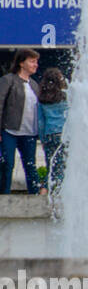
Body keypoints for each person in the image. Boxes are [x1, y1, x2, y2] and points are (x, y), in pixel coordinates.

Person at [0, 49, 46, 195]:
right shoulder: (8, 80)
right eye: (32, 61)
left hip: (29, 133)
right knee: (7, 163)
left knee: (30, 165)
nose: (36, 65)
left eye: (36, 61)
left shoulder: (34, 84)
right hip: (9, 130)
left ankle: (34, 195)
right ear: (21, 63)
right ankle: (4, 195)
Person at [38, 67, 68, 190]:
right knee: (62, 166)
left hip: (49, 135)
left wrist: (43, 139)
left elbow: (41, 122)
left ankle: (44, 191)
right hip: (64, 135)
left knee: (51, 166)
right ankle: (60, 191)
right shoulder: (66, 97)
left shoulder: (42, 99)